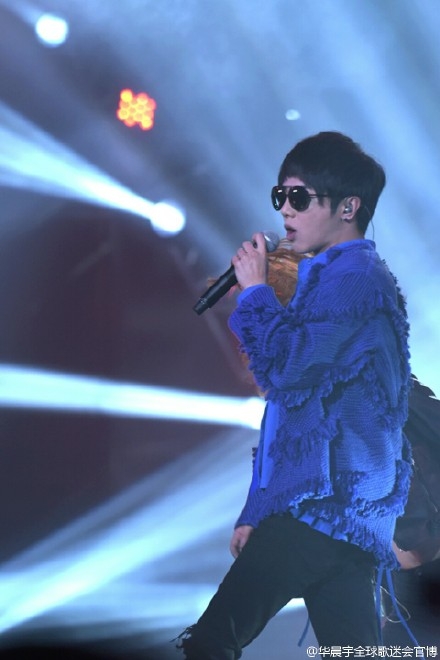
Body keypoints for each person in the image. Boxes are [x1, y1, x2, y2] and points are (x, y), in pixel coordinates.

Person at [176, 131, 412, 658]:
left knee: (211, 642)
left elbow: (287, 371)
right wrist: (257, 508)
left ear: (348, 207)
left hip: (322, 510)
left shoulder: (356, 278)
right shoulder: (330, 278)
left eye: (299, 197)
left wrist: (256, 291)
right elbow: (295, 413)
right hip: (345, 521)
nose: (284, 209)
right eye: (279, 195)